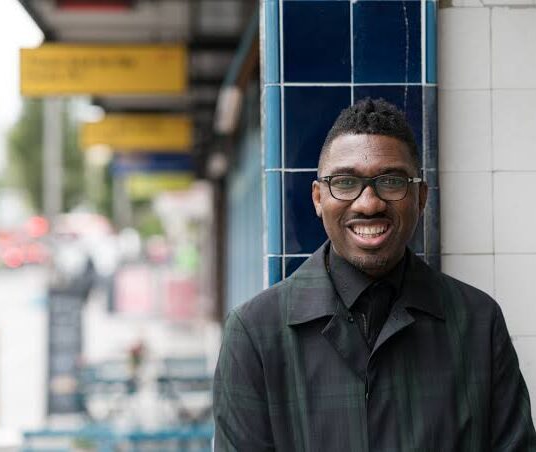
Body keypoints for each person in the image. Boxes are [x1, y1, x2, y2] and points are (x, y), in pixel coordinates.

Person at [213, 98, 536, 451]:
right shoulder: (255, 334)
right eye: (346, 182)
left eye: (392, 181)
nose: (369, 203)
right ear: (318, 198)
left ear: (421, 197)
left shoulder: (477, 322)